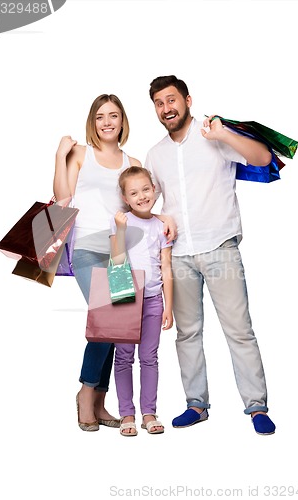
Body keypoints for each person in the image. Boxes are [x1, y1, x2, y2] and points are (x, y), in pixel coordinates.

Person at [145, 75, 276, 435]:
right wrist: (157, 218)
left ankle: (257, 407)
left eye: (171, 100)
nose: (166, 108)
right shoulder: (155, 155)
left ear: (187, 100)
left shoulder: (215, 136)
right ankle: (196, 405)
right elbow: (147, 201)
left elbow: (263, 157)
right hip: (179, 255)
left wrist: (224, 135)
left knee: (239, 331)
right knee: (187, 333)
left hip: (221, 248)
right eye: (159, 103)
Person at [53, 94, 175, 432]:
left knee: (117, 328)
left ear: (122, 121)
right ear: (93, 122)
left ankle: (101, 399)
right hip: (88, 249)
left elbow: (142, 202)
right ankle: (86, 392)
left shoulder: (131, 160)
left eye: (114, 116)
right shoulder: (81, 154)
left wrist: (163, 216)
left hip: (123, 253)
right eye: (101, 116)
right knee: (108, 321)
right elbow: (62, 199)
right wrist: (59, 157)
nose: (107, 122)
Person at [110, 166, 173, 436]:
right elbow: (116, 260)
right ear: (125, 198)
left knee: (149, 357)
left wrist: (168, 305)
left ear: (154, 190)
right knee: (124, 357)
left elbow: (167, 266)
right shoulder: (121, 221)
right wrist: (121, 230)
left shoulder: (162, 226)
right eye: (134, 193)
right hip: (124, 296)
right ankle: (127, 413)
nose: (142, 196)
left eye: (146, 189)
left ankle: (149, 411)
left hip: (153, 300)